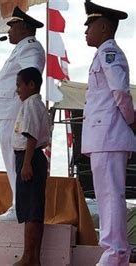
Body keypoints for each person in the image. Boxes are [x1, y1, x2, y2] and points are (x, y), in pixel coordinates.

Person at [82, 1, 135, 265]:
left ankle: (113, 253)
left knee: (110, 195)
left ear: (104, 27)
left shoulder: (110, 52)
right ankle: (117, 254)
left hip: (109, 136)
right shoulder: (102, 54)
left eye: (90, 25)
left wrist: (132, 122)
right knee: (107, 196)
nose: (86, 31)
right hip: (104, 137)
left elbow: (120, 92)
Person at [0, 6, 45, 221]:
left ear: (24, 27)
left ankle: (19, 208)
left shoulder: (30, 47)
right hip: (9, 109)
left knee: (14, 162)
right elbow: (18, 78)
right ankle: (17, 206)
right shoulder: (20, 48)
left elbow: (31, 78)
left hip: (15, 111)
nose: (8, 30)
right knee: (11, 161)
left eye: (12, 25)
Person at [12, 67, 49, 265]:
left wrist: (26, 164)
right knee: (30, 209)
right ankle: (32, 257)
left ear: (31, 85)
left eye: (19, 85)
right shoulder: (30, 104)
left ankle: (30, 257)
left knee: (32, 210)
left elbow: (31, 135)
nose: (17, 90)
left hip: (30, 157)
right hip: (28, 157)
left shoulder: (32, 104)